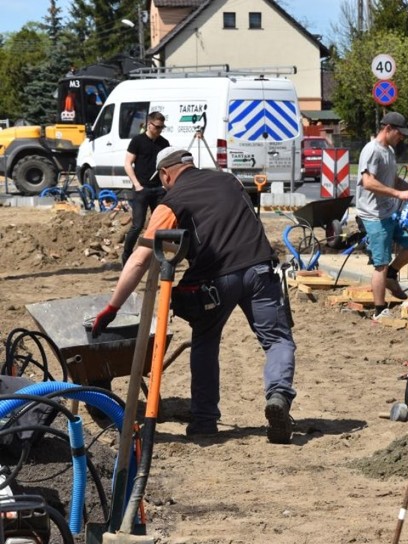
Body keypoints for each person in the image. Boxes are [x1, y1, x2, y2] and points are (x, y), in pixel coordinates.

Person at [91, 148, 297, 443]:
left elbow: (139, 259)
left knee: (205, 341)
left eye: (161, 180)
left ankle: (204, 422)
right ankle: (278, 395)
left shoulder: (171, 201)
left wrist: (112, 307)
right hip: (260, 267)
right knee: (277, 339)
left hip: (216, 280)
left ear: (165, 173)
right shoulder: (229, 180)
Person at [356, 112, 408, 320]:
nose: (401, 138)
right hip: (374, 216)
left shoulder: (388, 151)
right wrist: (399, 194)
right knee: (381, 263)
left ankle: (392, 274)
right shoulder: (372, 150)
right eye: (399, 134)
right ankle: (380, 310)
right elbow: (368, 182)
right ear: (387, 128)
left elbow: (393, 180)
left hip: (390, 212)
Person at [122, 111, 171, 266]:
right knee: (137, 225)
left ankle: (158, 258)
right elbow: (128, 163)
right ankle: (127, 255)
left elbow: (167, 166)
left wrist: (165, 185)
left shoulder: (164, 143)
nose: (159, 130)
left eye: (162, 127)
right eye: (157, 126)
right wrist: (137, 185)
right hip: (141, 189)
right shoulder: (138, 141)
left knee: (160, 226)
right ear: (149, 124)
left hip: (158, 190)